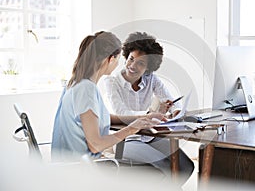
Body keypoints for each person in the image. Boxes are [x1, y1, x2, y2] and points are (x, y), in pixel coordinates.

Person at [51, 31, 164, 162]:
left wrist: (142, 117)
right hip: (80, 169)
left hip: (71, 164)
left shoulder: (76, 84)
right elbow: (95, 145)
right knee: (162, 168)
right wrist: (131, 129)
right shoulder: (86, 89)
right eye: (117, 59)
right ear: (111, 59)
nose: (117, 64)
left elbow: (97, 117)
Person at [104, 32, 194, 184]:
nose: (133, 66)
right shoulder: (112, 82)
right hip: (126, 139)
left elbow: (171, 100)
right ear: (126, 56)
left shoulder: (151, 79)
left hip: (150, 137)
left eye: (140, 63)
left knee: (186, 166)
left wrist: (176, 111)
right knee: (167, 167)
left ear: (148, 68)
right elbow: (121, 113)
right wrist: (150, 115)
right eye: (131, 59)